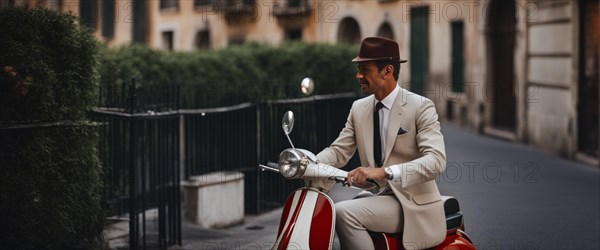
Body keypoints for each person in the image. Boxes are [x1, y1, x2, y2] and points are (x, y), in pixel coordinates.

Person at [315, 37, 447, 249]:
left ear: (387, 71)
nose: (358, 75)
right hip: (378, 197)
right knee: (334, 211)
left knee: (343, 212)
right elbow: (338, 151)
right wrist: (307, 162)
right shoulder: (359, 109)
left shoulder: (421, 106)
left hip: (412, 203)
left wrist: (386, 172)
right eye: (358, 69)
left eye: (365, 69)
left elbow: (436, 161)